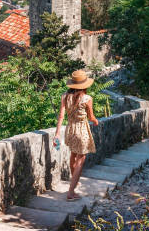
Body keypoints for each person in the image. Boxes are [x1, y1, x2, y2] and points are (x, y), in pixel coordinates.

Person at [53, 70, 99, 201]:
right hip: (81, 131)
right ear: (84, 85)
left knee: (73, 155)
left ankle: (74, 181)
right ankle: (71, 193)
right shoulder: (87, 99)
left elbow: (61, 116)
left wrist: (57, 134)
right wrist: (95, 121)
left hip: (70, 130)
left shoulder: (64, 96)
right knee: (81, 160)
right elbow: (91, 117)